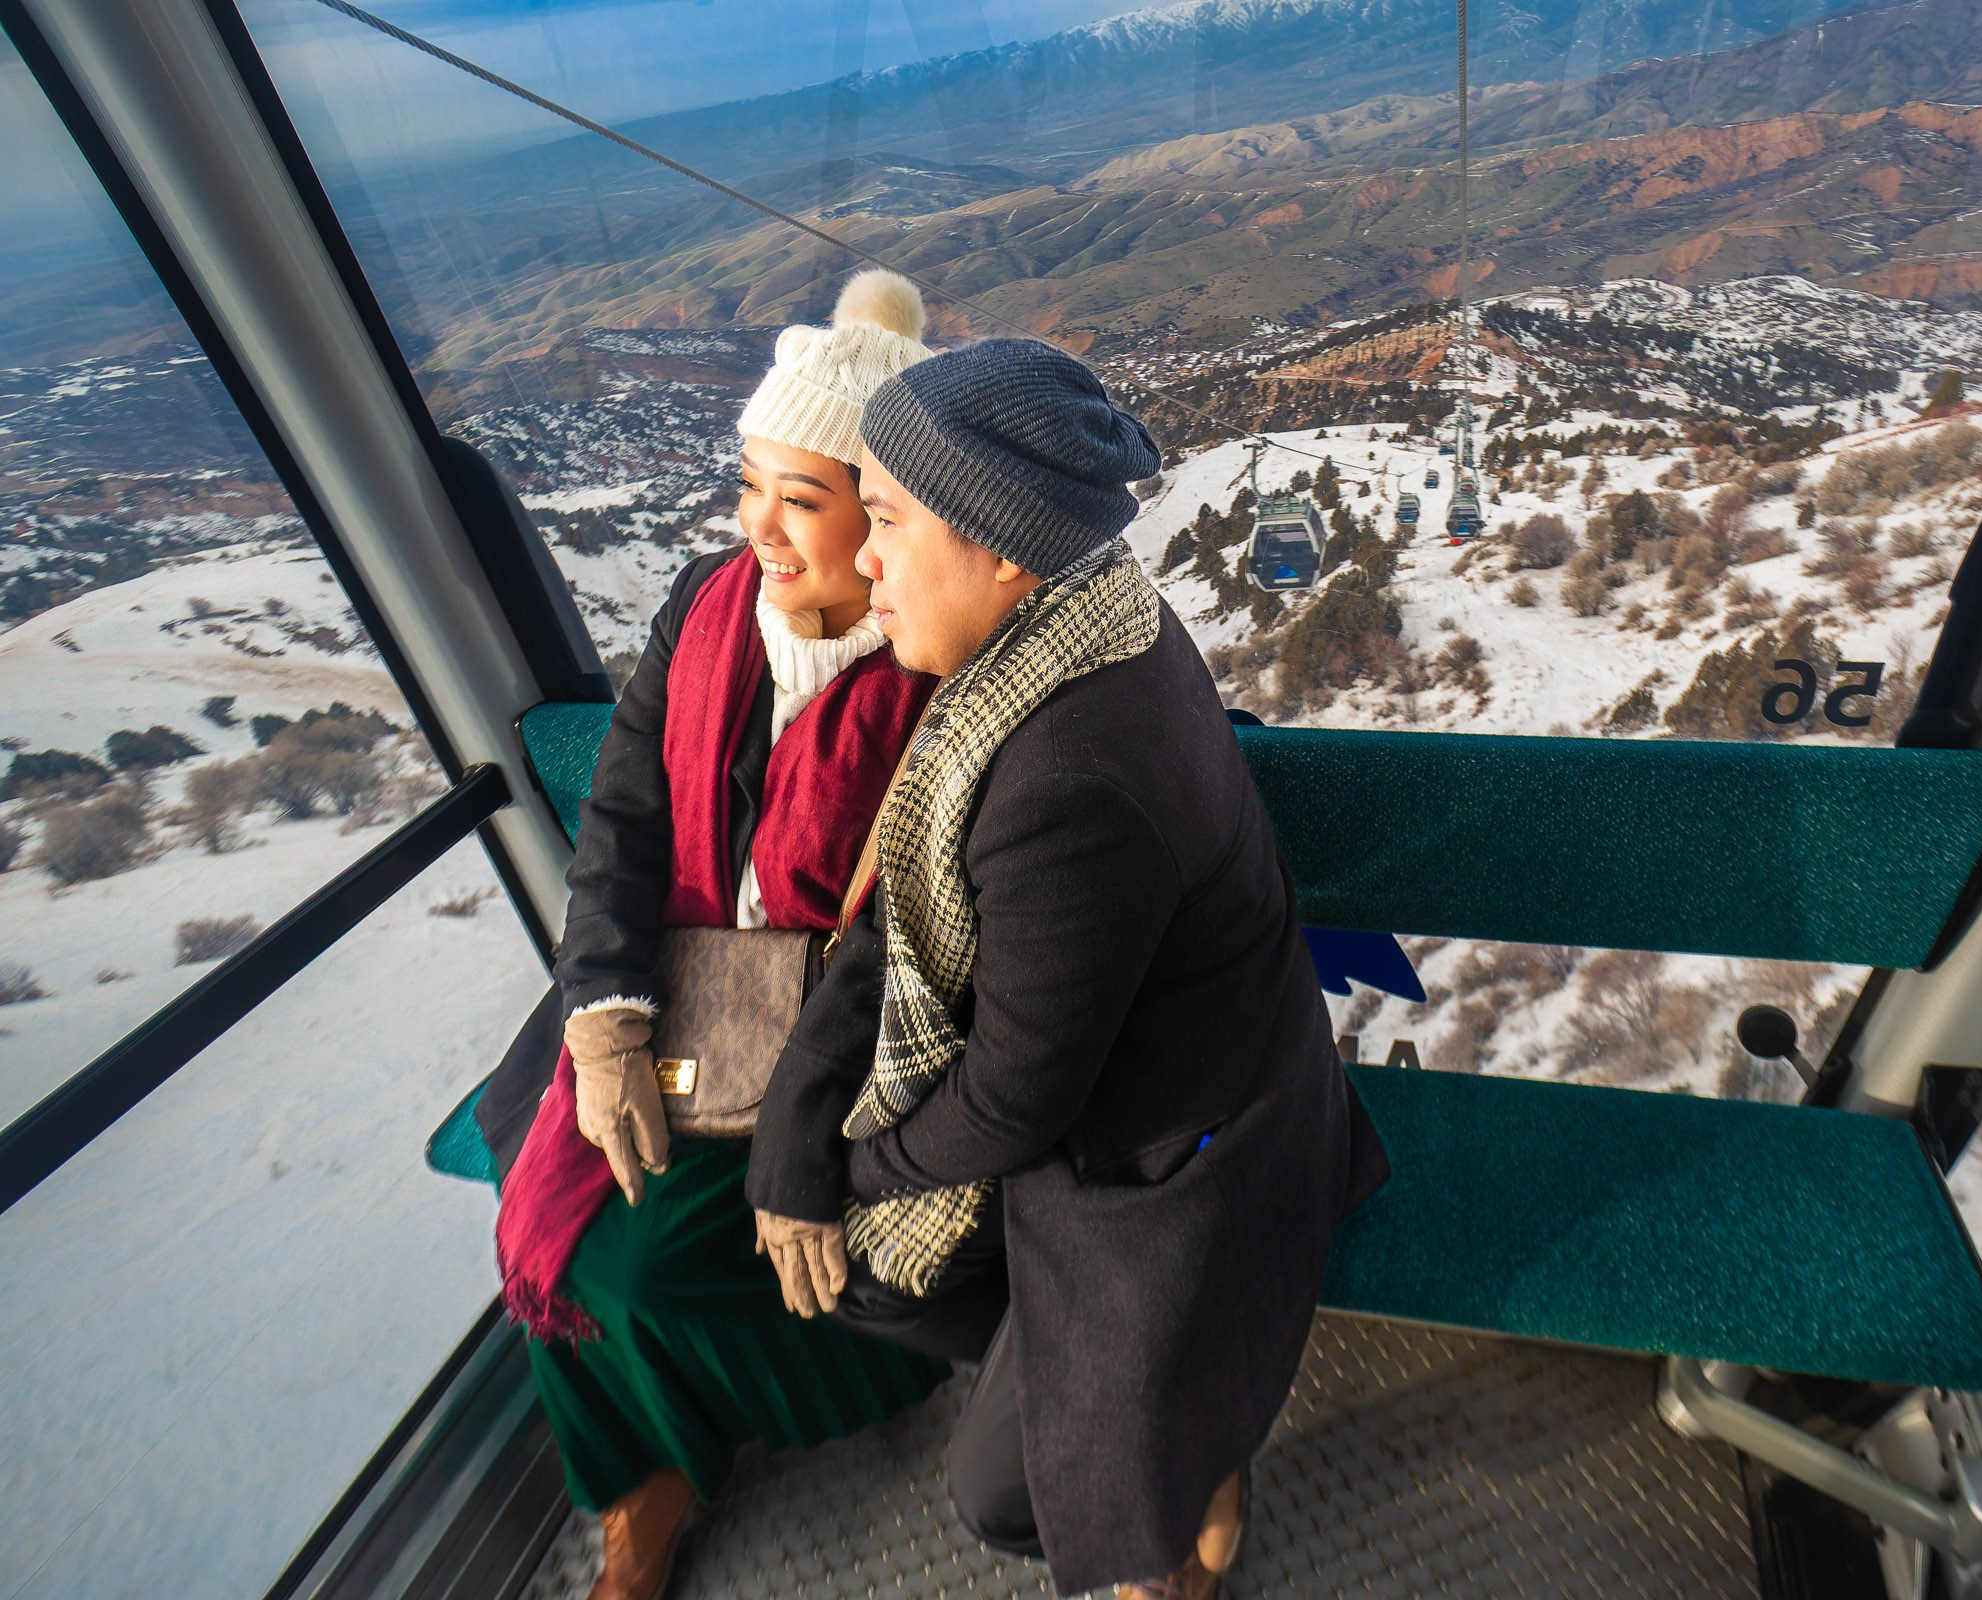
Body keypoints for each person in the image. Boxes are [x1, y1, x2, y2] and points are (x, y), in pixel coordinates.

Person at [744, 338, 1389, 1600]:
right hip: (1129, 1108)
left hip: (1177, 1161)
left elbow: (1011, 1102)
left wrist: (836, 1164)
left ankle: (1176, 1450)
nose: (862, 558)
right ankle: (1145, 1408)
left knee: (1006, 1489)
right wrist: (792, 1134)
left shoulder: (1071, 772)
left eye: (884, 520)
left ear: (1001, 545)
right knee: (861, 1272)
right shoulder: (1044, 647)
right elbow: (890, 927)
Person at [471, 269, 945, 1600]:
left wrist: (804, 1093)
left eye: (804, 499)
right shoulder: (704, 605)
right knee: (560, 1229)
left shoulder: (932, 658)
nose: (764, 531)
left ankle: (799, 1398)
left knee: (643, 1270)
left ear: (886, 513)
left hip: (842, 1030)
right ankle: (639, 1484)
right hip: (672, 990)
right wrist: (607, 1008)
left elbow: (917, 914)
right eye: (751, 487)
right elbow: (625, 815)